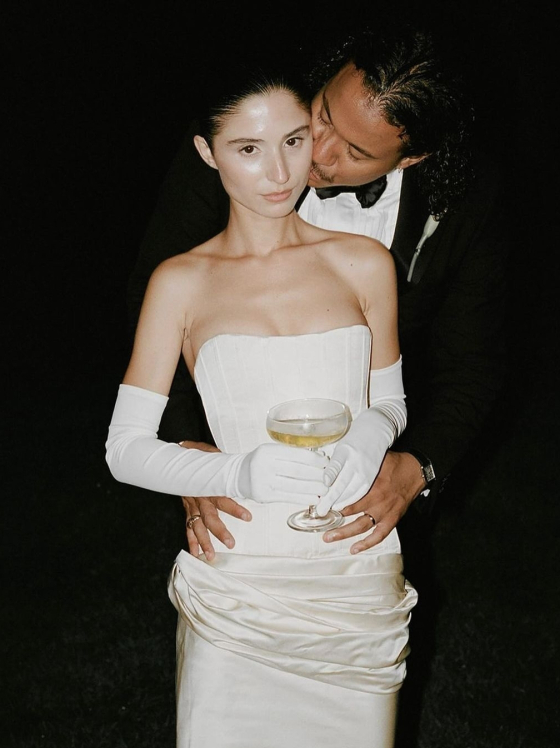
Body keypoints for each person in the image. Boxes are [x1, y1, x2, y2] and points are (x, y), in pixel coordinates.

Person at [126, 22, 509, 746]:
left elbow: (474, 362)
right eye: (323, 116)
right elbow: (155, 302)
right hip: (239, 530)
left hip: (355, 534)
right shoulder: (247, 141)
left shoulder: (465, 203)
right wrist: (187, 449)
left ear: (413, 156)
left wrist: (416, 465)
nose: (314, 156)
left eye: (355, 152)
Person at [107, 64, 418, 747]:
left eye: (294, 141)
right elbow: (124, 450)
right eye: (248, 149)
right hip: (239, 575)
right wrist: (235, 472)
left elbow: (391, 398)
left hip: (354, 570)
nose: (279, 172)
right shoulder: (179, 281)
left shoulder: (365, 262)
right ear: (207, 152)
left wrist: (373, 430)